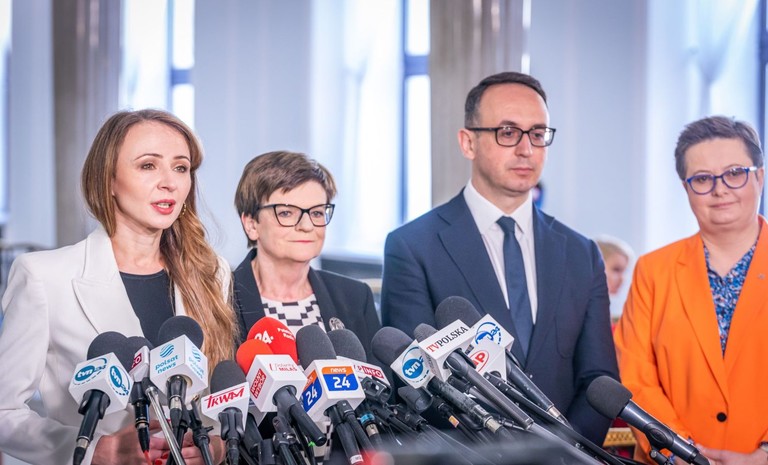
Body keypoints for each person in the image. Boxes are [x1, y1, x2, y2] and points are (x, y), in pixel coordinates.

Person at [380, 71, 620, 445]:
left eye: (538, 134)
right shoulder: (413, 247)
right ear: (468, 142)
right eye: (507, 132)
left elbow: (598, 379)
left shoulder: (580, 253)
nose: (526, 149)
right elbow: (416, 386)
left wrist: (566, 455)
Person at [0, 109, 236, 464]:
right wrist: (96, 450)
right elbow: (4, 413)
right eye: (148, 165)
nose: (169, 182)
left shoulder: (211, 271)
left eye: (181, 168)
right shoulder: (43, 277)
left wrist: (216, 446)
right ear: (108, 180)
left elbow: (218, 397)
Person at [614, 116, 768, 465]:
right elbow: (637, 377)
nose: (720, 189)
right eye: (702, 179)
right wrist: (678, 451)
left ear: (759, 177)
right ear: (686, 188)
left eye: (735, 173)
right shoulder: (653, 271)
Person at [232, 151, 382, 364]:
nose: (307, 225)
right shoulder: (218, 299)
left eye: (317, 213)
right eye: (286, 213)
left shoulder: (355, 297)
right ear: (251, 224)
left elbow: (379, 382)